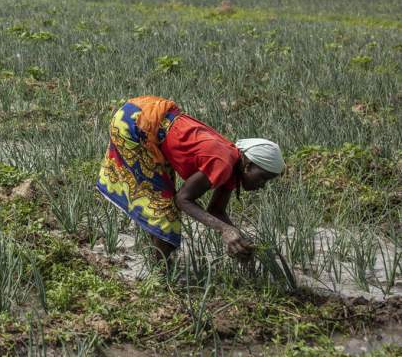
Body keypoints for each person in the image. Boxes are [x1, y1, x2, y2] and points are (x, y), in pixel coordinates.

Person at [96, 95, 285, 262]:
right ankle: (161, 273)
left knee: (162, 204)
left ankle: (159, 262)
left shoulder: (234, 168)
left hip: (146, 116)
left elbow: (216, 211)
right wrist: (225, 230)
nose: (261, 186)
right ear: (249, 166)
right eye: (263, 178)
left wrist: (239, 237)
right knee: (166, 213)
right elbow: (183, 199)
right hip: (136, 124)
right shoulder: (223, 162)